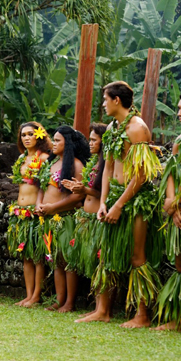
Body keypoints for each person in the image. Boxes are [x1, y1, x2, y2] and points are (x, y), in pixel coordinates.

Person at [82, 81, 163, 327]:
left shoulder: (138, 128)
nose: (103, 104)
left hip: (135, 199)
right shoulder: (112, 127)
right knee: (106, 254)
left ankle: (142, 315)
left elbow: (141, 175)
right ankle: (102, 310)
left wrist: (118, 205)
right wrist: (104, 202)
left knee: (137, 257)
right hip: (113, 196)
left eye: (105, 99)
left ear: (116, 100)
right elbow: (107, 167)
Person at [36, 126, 89, 312]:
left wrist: (53, 207)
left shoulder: (76, 165)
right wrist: (39, 204)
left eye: (58, 140)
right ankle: (59, 300)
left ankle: (70, 302)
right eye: (54, 139)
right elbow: (41, 187)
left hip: (65, 218)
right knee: (57, 261)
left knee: (68, 261)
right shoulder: (51, 163)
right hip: (49, 218)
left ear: (69, 143)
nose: (54, 143)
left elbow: (77, 196)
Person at [62, 124, 107, 320]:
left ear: (104, 142)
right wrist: (77, 187)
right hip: (87, 219)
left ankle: (102, 310)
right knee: (91, 263)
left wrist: (84, 190)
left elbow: (103, 192)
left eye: (94, 140)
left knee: (100, 263)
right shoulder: (95, 162)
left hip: (98, 219)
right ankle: (97, 308)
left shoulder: (108, 163)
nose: (90, 143)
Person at [7, 122, 52, 307]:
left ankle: (36, 296)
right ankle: (28, 295)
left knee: (37, 256)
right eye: (23, 135)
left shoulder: (44, 159)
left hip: (36, 212)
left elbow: (45, 186)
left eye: (30, 134)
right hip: (21, 212)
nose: (26, 138)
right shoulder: (21, 158)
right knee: (25, 255)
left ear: (39, 136)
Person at [154, 93, 181, 331]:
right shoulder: (180, 140)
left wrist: (176, 202)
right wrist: (172, 201)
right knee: (180, 264)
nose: (180, 113)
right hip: (180, 207)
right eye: (180, 108)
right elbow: (172, 173)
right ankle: (178, 318)